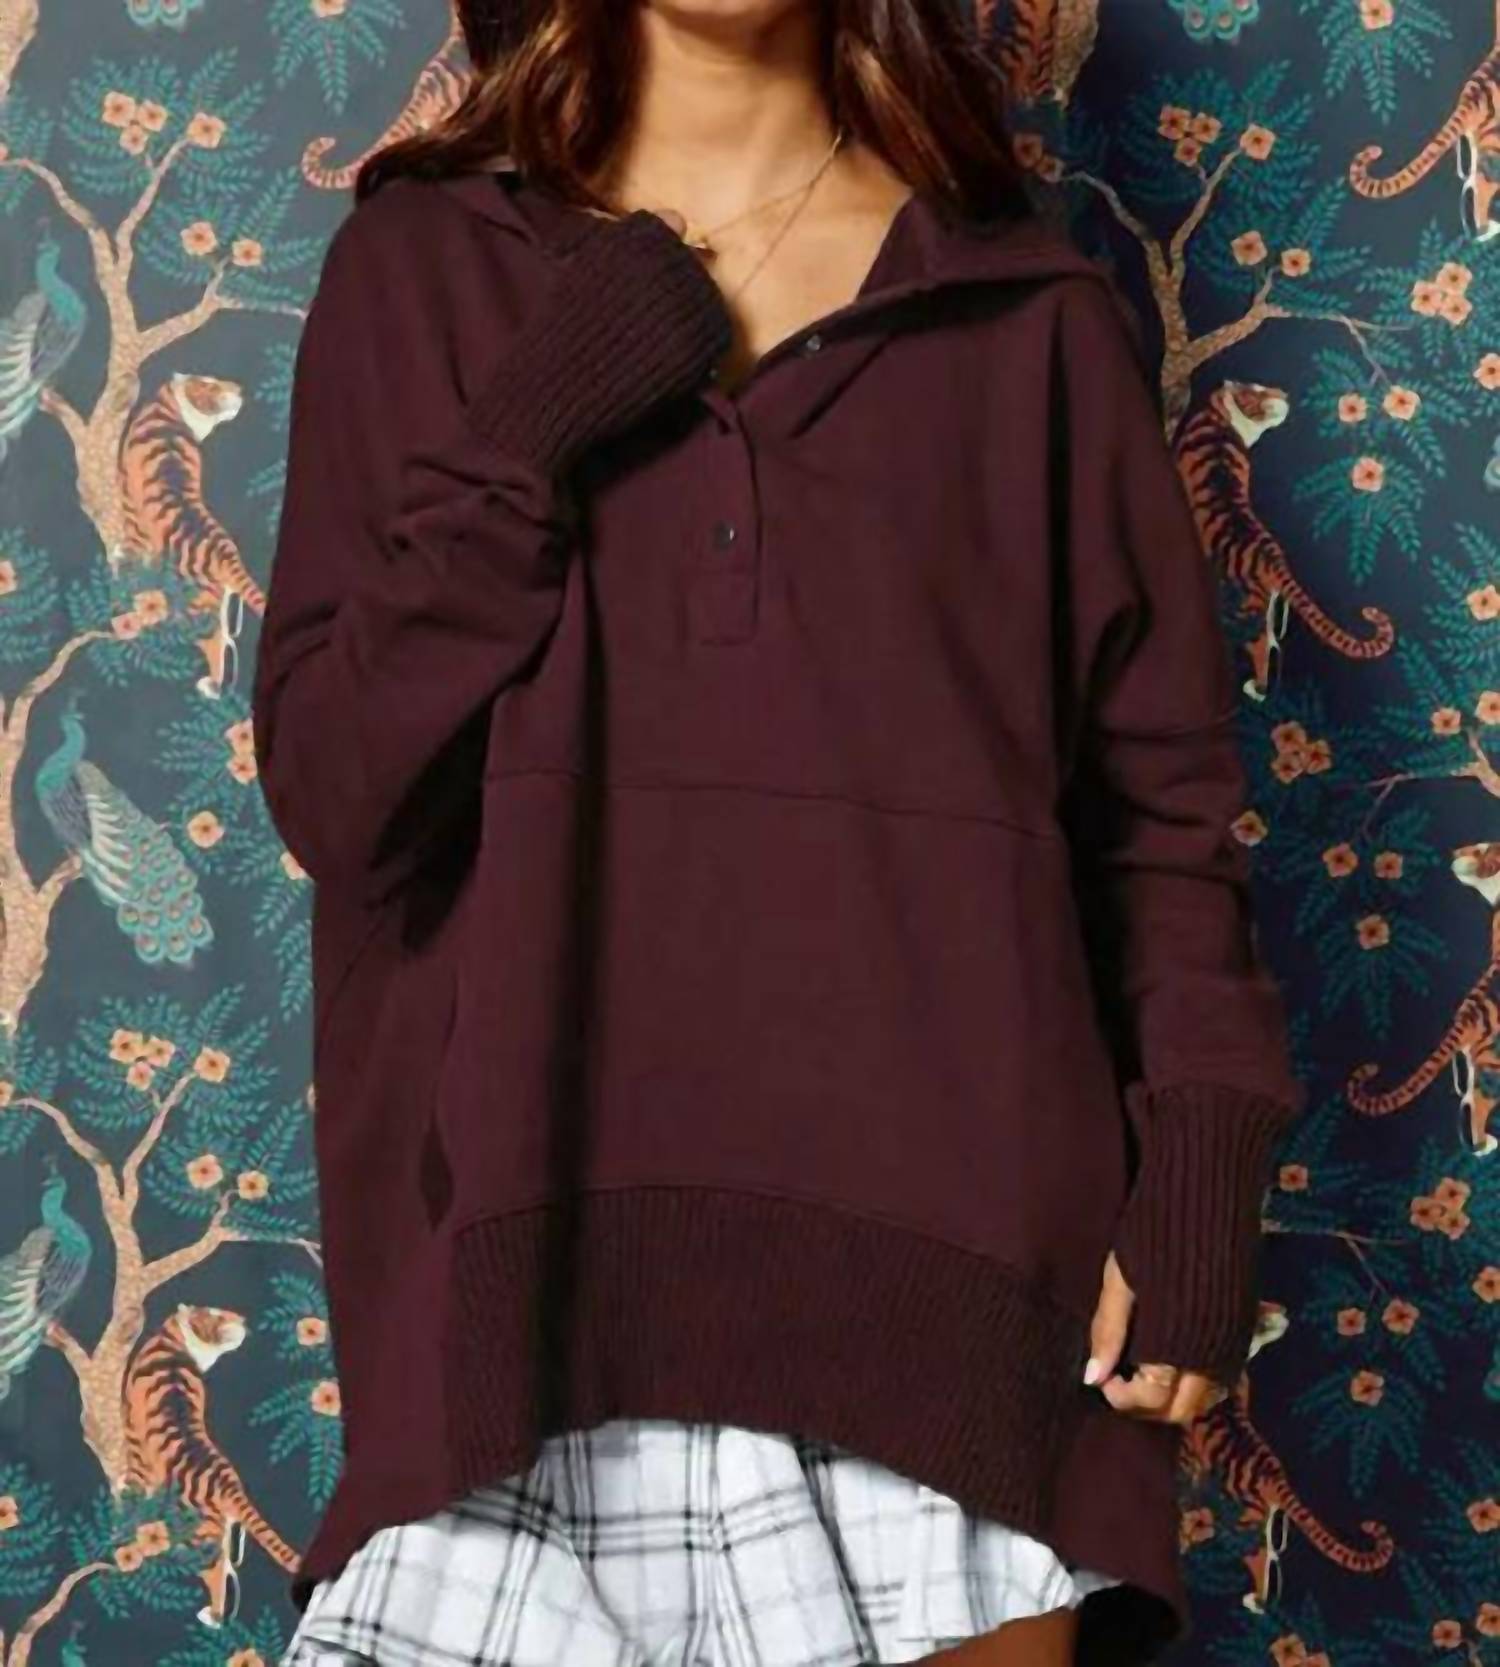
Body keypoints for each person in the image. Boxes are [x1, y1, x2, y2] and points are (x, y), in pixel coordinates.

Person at [252, 0, 1306, 1660]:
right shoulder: (425, 272)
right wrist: (538, 418)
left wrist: (1201, 1166)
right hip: (523, 1315)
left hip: (955, 1323)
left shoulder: (1029, 320)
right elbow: (340, 791)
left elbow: (1162, 825)